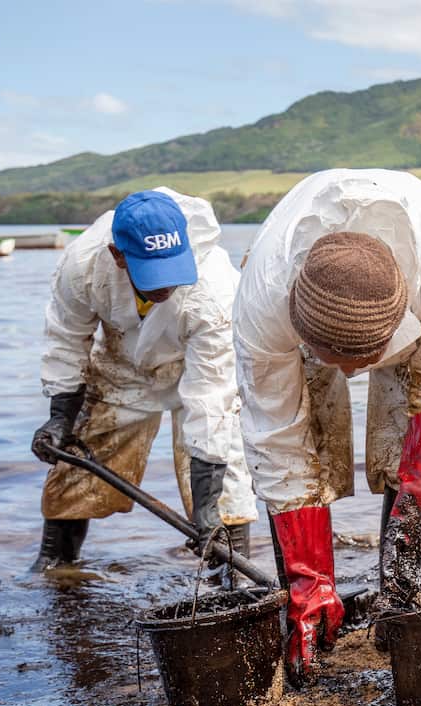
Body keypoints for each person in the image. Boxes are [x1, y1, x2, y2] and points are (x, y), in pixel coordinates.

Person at [233, 169, 421, 686]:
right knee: (308, 446)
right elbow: (278, 438)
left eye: (364, 359)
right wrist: (309, 579)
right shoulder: (264, 304)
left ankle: (402, 605)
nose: (351, 374)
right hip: (301, 310)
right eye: (337, 361)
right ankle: (311, 604)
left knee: (409, 449)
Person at [30, 188, 257, 572]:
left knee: (222, 485)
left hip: (195, 366)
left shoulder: (213, 287)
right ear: (118, 257)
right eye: (153, 273)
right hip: (122, 365)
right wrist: (59, 418)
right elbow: (66, 341)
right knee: (77, 465)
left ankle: (232, 580)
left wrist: (204, 510)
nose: (166, 285)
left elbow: (211, 395)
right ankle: (58, 571)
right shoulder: (83, 264)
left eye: (172, 269)